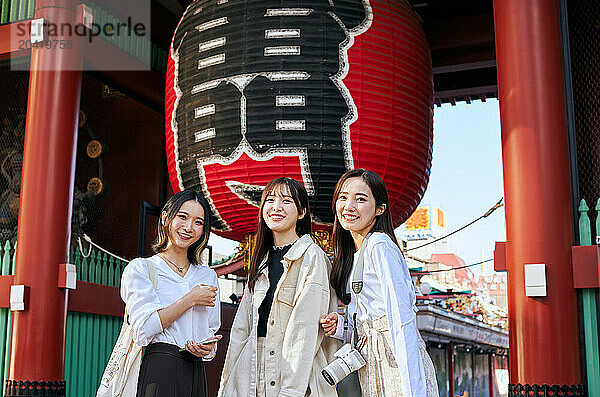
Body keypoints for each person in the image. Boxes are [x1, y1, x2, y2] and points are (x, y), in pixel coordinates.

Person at [319, 169, 438, 397]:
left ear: (380, 209)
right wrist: (342, 325)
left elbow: (401, 319)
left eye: (360, 199)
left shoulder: (379, 245)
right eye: (343, 197)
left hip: (392, 360)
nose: (349, 206)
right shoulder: (353, 254)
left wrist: (415, 391)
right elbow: (369, 317)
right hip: (370, 359)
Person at [218, 177, 338, 397]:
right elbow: (241, 330)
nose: (276, 207)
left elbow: (305, 331)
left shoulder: (312, 257)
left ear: (301, 212)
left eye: (286, 201)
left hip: (292, 372)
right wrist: (227, 384)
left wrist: (290, 392)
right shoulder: (260, 260)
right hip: (251, 369)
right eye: (270, 200)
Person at [121, 190, 221, 397]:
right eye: (182, 217)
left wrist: (207, 349)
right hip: (160, 368)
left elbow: (211, 329)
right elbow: (142, 331)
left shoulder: (207, 276)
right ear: (166, 217)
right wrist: (190, 300)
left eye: (198, 222)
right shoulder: (142, 269)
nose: (188, 228)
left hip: (196, 371)